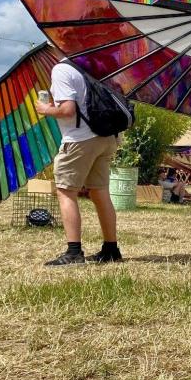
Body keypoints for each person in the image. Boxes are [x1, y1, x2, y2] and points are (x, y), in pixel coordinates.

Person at [35, 60, 122, 265]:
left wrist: (45, 109)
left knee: (66, 191)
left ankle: (74, 252)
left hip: (80, 140)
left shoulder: (61, 69)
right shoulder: (92, 66)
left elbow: (67, 110)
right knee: (99, 191)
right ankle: (111, 249)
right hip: (106, 137)